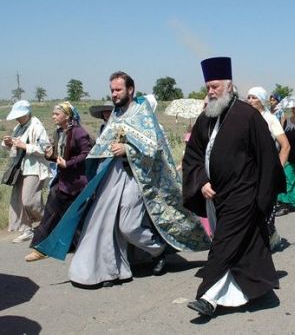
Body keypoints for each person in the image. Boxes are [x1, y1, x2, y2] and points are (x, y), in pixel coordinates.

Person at [66, 71, 210, 287]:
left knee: (128, 225)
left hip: (139, 177)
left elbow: (153, 147)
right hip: (114, 176)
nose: (114, 94)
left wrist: (127, 149)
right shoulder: (116, 114)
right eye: (112, 90)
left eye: (118, 90)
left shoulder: (142, 113)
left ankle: (158, 249)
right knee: (104, 224)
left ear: (130, 90)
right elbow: (104, 143)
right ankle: (110, 271)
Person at [182, 57, 286, 318]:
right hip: (214, 196)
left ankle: (208, 297)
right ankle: (256, 291)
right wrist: (201, 181)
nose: (210, 91)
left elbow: (267, 157)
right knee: (238, 249)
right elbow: (193, 155)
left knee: (223, 246)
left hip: (243, 195)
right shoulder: (206, 117)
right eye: (208, 87)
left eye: (215, 86)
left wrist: (262, 198)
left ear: (229, 86)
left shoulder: (247, 115)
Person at [25, 102, 92, 262]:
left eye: (56, 114)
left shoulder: (78, 132)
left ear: (67, 116)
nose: (53, 116)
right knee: (50, 215)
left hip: (76, 184)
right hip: (62, 182)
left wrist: (68, 164)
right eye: (53, 114)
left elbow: (87, 153)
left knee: (76, 218)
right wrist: (50, 155)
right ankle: (40, 248)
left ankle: (85, 249)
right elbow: (57, 156)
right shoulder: (59, 132)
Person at [246, 86, 290, 249]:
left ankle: (271, 237)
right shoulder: (246, 119)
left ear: (262, 100)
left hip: (267, 169)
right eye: (248, 97)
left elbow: (285, 146)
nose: (250, 101)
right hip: (250, 170)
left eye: (254, 97)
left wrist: (277, 169)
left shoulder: (270, 119)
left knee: (266, 205)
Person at [2, 100, 50, 243]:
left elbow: (45, 149)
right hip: (20, 167)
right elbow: (15, 145)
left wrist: (25, 146)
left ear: (27, 113)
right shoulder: (19, 127)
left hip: (35, 168)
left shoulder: (37, 127)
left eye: (20, 115)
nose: (17, 118)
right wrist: (8, 143)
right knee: (19, 200)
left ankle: (50, 221)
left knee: (30, 201)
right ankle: (27, 229)